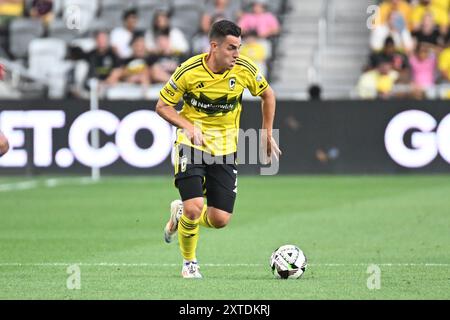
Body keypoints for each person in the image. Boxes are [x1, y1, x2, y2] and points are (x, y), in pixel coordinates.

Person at [155, 20, 281, 278]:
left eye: (239, 47)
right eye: (231, 48)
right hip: (190, 144)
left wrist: (267, 131)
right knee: (194, 206)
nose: (237, 54)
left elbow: (268, 94)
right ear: (214, 46)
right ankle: (189, 263)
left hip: (225, 149)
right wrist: (187, 126)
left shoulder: (245, 69)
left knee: (219, 219)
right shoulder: (187, 71)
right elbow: (163, 106)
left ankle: (180, 214)